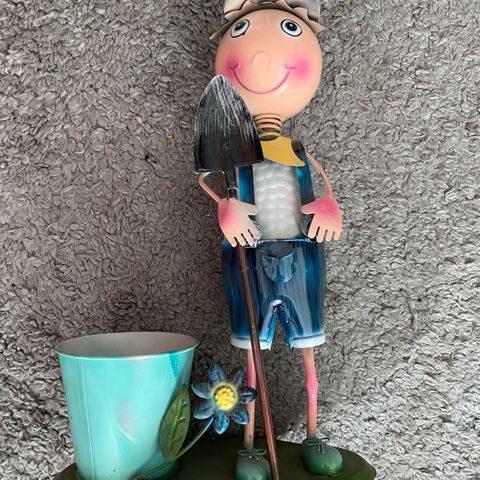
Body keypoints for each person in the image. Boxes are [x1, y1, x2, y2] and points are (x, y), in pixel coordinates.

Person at [198, 1, 343, 476]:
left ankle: (314, 432)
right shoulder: (232, 153)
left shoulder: (298, 153)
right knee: (252, 360)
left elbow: (323, 188)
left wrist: (328, 208)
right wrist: (226, 208)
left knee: (309, 355)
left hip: (301, 262)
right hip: (249, 263)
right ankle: (249, 443)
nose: (261, 60)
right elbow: (208, 182)